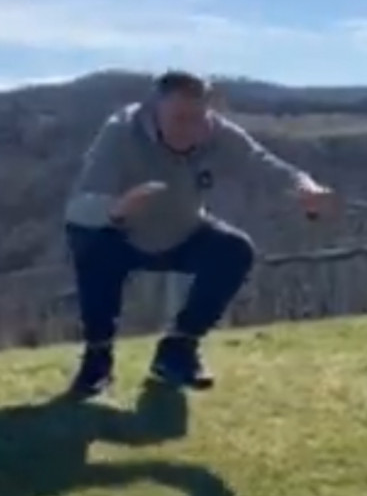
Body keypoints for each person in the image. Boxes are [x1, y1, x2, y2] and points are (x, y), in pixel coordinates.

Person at [63, 70, 338, 397]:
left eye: (197, 118)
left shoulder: (215, 132)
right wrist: (116, 209)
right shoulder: (120, 132)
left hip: (183, 231)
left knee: (234, 251)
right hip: (122, 234)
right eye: (179, 119)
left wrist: (304, 187)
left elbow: (262, 162)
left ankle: (179, 348)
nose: (189, 129)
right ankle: (97, 359)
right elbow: (79, 208)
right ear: (154, 110)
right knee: (90, 239)